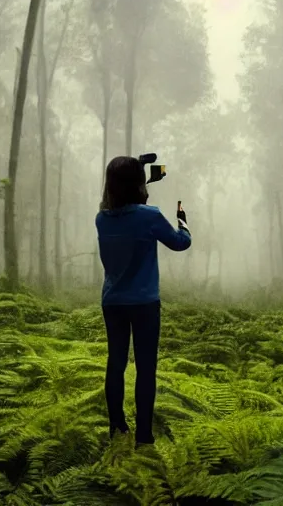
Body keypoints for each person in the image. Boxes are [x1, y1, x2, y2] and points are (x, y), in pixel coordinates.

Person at [95, 155, 191, 446]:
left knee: (116, 363)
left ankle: (117, 429)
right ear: (138, 183)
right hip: (145, 303)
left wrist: (136, 172)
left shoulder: (102, 219)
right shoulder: (150, 216)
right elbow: (180, 242)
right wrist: (183, 219)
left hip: (113, 302)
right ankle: (144, 436)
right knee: (145, 368)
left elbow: (120, 204)